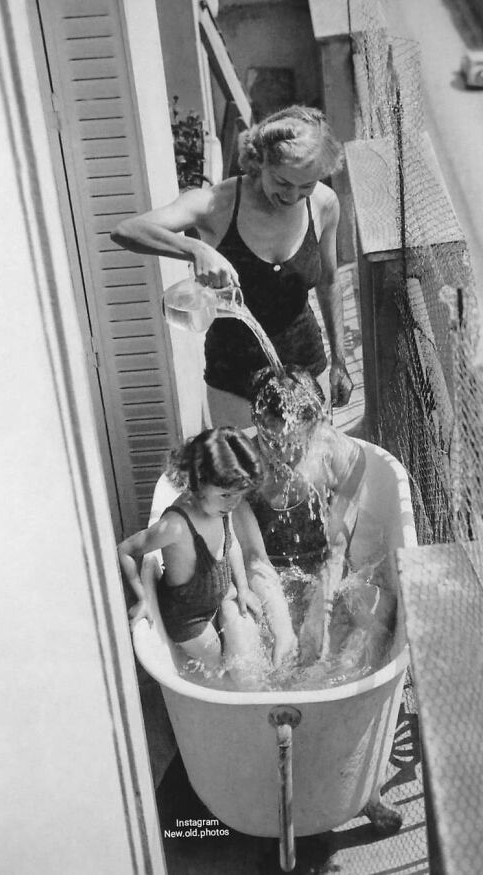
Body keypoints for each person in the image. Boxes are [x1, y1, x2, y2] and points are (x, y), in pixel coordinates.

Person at [111, 104, 353, 428]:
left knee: (316, 471)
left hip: (305, 363)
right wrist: (194, 248)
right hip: (234, 375)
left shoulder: (324, 204)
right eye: (282, 182)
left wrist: (339, 360)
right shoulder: (217, 204)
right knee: (247, 474)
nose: (293, 195)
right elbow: (126, 231)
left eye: (305, 185)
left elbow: (329, 282)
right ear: (259, 160)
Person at [117, 427, 290, 687]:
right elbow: (126, 550)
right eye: (226, 495)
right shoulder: (176, 525)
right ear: (199, 482)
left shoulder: (218, 506)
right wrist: (142, 599)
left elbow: (230, 544)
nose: (233, 503)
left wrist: (242, 587)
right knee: (217, 667)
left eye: (240, 495)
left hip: (215, 595)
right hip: (189, 620)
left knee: (249, 655)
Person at [239, 366, 367, 662]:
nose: (283, 455)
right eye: (272, 443)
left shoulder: (343, 456)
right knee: (246, 641)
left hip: (323, 569)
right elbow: (253, 558)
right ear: (255, 423)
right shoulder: (242, 465)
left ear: (318, 425)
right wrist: (283, 627)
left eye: (296, 444)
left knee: (378, 612)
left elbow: (337, 550)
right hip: (265, 579)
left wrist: (320, 610)